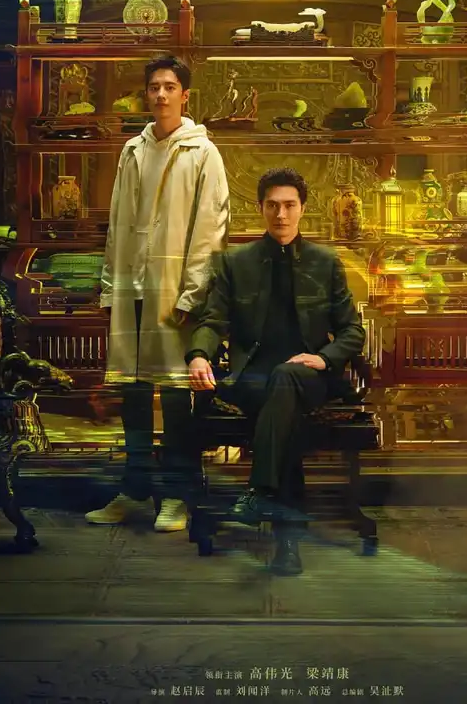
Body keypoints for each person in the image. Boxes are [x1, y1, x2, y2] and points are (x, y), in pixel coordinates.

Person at [186, 167, 365, 572]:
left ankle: (261, 493)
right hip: (252, 378)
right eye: (272, 205)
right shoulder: (236, 263)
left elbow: (351, 330)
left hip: (310, 377)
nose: (280, 214)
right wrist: (198, 355)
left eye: (289, 205)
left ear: (302, 208)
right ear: (260, 208)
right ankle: (285, 539)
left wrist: (325, 358)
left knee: (286, 379)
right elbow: (213, 321)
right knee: (283, 410)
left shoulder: (325, 261)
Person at [86, 55, 230, 531]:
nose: (162, 94)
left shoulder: (202, 152)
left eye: (170, 86)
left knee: (175, 394)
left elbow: (211, 230)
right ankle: (134, 489)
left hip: (174, 290)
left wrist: (192, 295)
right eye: (154, 87)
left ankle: (176, 495)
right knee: (132, 392)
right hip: (133, 286)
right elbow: (117, 224)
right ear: (146, 94)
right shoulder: (133, 150)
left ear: (185, 95)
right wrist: (111, 286)